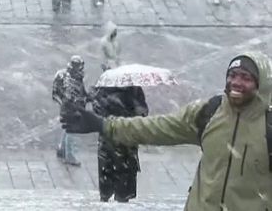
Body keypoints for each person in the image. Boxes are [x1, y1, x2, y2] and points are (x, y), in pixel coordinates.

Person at [63, 51, 272, 210]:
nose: (236, 82)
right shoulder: (209, 112)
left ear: (261, 84)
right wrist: (104, 125)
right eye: (233, 75)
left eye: (245, 77)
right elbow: (156, 127)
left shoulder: (268, 125)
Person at [92, 86, 148, 202]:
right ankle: (116, 196)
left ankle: (110, 196)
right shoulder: (134, 90)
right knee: (120, 175)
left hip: (113, 138)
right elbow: (142, 113)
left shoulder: (102, 90)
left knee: (109, 173)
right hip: (123, 138)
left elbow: (97, 110)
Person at [52, 55, 87, 166]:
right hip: (70, 108)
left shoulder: (72, 75)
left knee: (68, 128)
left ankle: (62, 150)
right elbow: (58, 94)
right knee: (72, 130)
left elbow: (81, 91)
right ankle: (70, 157)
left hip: (71, 107)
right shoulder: (69, 77)